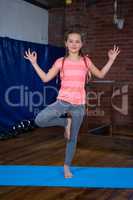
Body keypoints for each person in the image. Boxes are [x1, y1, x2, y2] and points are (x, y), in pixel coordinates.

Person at [24, 30, 120, 178]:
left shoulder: (86, 61)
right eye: (71, 41)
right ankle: (65, 123)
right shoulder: (60, 62)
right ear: (66, 43)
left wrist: (111, 60)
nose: (74, 44)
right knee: (40, 120)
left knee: (72, 138)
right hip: (62, 101)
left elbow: (100, 74)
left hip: (78, 105)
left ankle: (66, 166)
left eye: (77, 41)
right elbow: (45, 78)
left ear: (81, 44)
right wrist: (34, 63)